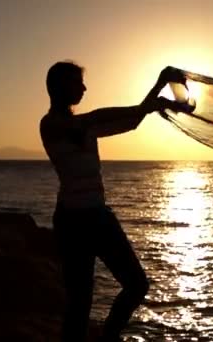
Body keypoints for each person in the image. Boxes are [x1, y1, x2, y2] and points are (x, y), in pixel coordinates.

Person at [39, 61, 187, 342]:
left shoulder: (84, 125)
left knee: (137, 285)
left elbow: (130, 121)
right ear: (59, 87)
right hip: (73, 222)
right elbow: (93, 121)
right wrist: (154, 95)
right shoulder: (51, 124)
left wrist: (153, 101)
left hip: (97, 216)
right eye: (77, 82)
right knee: (79, 302)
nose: (83, 88)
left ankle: (108, 337)